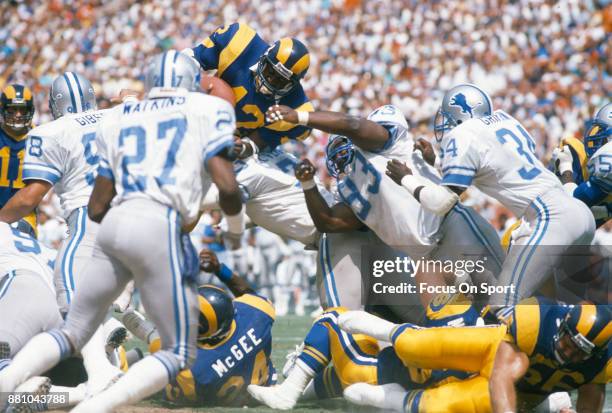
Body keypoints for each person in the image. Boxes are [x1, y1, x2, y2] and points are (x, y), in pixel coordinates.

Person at [0, 50, 244, 413]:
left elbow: (47, 198)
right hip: (159, 224)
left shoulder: (56, 132)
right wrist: (236, 231)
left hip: (91, 226)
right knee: (169, 345)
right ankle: (120, 352)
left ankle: (75, 381)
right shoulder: (132, 114)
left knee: (73, 317)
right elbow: (224, 186)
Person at [266, 103, 504, 308]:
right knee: (448, 323)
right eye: (335, 152)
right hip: (429, 256)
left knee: (502, 304)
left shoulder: (387, 144)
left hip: (453, 228)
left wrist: (300, 117)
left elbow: (353, 125)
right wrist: (308, 184)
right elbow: (328, 221)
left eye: (344, 146)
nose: (341, 156)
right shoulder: (350, 187)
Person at [383, 84, 595, 311]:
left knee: (502, 307)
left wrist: (406, 179)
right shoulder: (505, 119)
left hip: (550, 217)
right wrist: (435, 161)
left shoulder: (463, 133)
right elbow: (491, 166)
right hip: (578, 213)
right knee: (564, 311)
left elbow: (440, 202)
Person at [0, 73, 128, 396]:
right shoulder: (119, 114)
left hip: (90, 215)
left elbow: (31, 196)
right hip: (133, 212)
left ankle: (98, 370)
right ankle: (119, 333)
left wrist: (1, 217)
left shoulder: (51, 132)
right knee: (96, 290)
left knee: (68, 287)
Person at [335, 299, 610, 413]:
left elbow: (589, 403)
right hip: (495, 350)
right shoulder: (537, 322)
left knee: (442, 405)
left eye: (580, 350)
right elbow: (501, 375)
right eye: (568, 340)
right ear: (563, 324)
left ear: (595, 353)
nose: (567, 350)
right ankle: (385, 329)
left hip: (522, 387)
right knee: (415, 346)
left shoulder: (600, 367)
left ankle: (393, 400)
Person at [123, 248, 276, 407]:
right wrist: (219, 269)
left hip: (201, 396)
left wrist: (140, 326)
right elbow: (248, 293)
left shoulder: (194, 369)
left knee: (147, 371)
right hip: (264, 387)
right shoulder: (257, 314)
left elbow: (157, 342)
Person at [184, 22, 314, 153]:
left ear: (293, 85)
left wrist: (247, 146)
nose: (270, 81)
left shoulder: (298, 107)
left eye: (280, 80)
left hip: (230, 145)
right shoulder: (240, 42)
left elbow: (270, 136)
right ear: (264, 56)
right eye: (270, 71)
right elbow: (191, 59)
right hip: (200, 115)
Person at [553, 103, 611, 227]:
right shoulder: (576, 151)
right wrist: (606, 211)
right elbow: (564, 208)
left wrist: (566, 168)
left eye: (601, 131)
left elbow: (572, 207)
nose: (595, 135)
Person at [0, 84, 37, 236]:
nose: (18, 115)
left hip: (24, 214)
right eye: (13, 109)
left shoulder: (40, 137)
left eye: (23, 110)